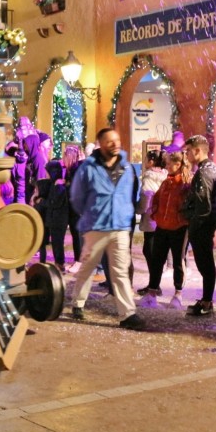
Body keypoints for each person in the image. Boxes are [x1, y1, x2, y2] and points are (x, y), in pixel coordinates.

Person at [67, 128, 142, 329]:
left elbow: (131, 194)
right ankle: (78, 303)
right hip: (96, 226)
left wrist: (126, 212)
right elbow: (77, 196)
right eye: (110, 141)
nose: (115, 144)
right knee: (88, 266)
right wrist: (91, 213)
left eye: (117, 140)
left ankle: (128, 314)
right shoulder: (88, 168)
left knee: (120, 271)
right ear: (101, 144)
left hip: (120, 226)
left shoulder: (126, 167)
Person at [180, 135, 216, 317]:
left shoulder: (203, 173)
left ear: (198, 151)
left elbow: (203, 204)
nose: (186, 155)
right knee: (207, 264)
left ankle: (207, 301)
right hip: (208, 224)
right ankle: (207, 299)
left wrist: (193, 223)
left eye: (188, 151)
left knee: (205, 264)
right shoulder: (214, 169)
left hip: (202, 226)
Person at [143, 150, 190, 309]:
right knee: (157, 260)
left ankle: (178, 294)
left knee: (178, 261)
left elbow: (188, 206)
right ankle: (151, 293)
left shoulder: (185, 184)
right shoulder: (166, 182)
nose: (167, 166)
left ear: (178, 164)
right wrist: (156, 215)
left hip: (179, 229)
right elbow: (156, 199)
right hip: (162, 227)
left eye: (170, 163)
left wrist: (181, 220)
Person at [135, 149, 166, 301]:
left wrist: (137, 209)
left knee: (150, 251)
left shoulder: (148, 178)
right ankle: (154, 284)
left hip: (150, 218)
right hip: (161, 218)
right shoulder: (165, 176)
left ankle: (154, 285)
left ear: (152, 161)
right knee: (154, 252)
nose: (145, 161)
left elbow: (145, 201)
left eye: (146, 159)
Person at [32, 160, 68, 268]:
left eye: (47, 172)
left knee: (58, 244)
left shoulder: (59, 186)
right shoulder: (54, 183)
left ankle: (60, 264)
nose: (46, 174)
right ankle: (58, 263)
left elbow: (54, 203)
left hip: (58, 220)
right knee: (56, 244)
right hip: (54, 219)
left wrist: (41, 201)